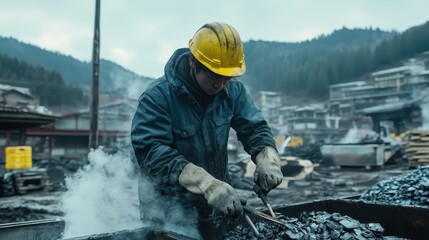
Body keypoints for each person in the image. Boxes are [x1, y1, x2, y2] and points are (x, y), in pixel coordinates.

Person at [131, 22, 283, 239]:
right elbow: (151, 151)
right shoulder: (157, 97)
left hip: (217, 207)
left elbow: (255, 128)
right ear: (193, 62)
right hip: (166, 213)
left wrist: (268, 157)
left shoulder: (233, 92)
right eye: (214, 77)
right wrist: (205, 182)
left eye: (227, 78)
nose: (220, 85)